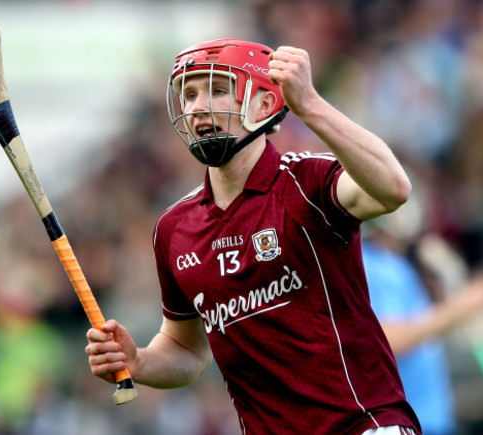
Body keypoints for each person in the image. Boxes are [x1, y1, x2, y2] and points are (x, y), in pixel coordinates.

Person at [85, 39, 421, 434]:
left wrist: (309, 104)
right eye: (189, 94)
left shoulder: (308, 181)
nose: (197, 106)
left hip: (363, 424)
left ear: (264, 106)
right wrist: (138, 362)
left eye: (218, 90)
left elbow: (393, 189)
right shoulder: (174, 229)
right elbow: (186, 348)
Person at [362, 197, 483, 435]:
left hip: (428, 421)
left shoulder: (398, 263)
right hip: (403, 423)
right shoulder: (372, 263)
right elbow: (385, 339)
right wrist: (463, 305)